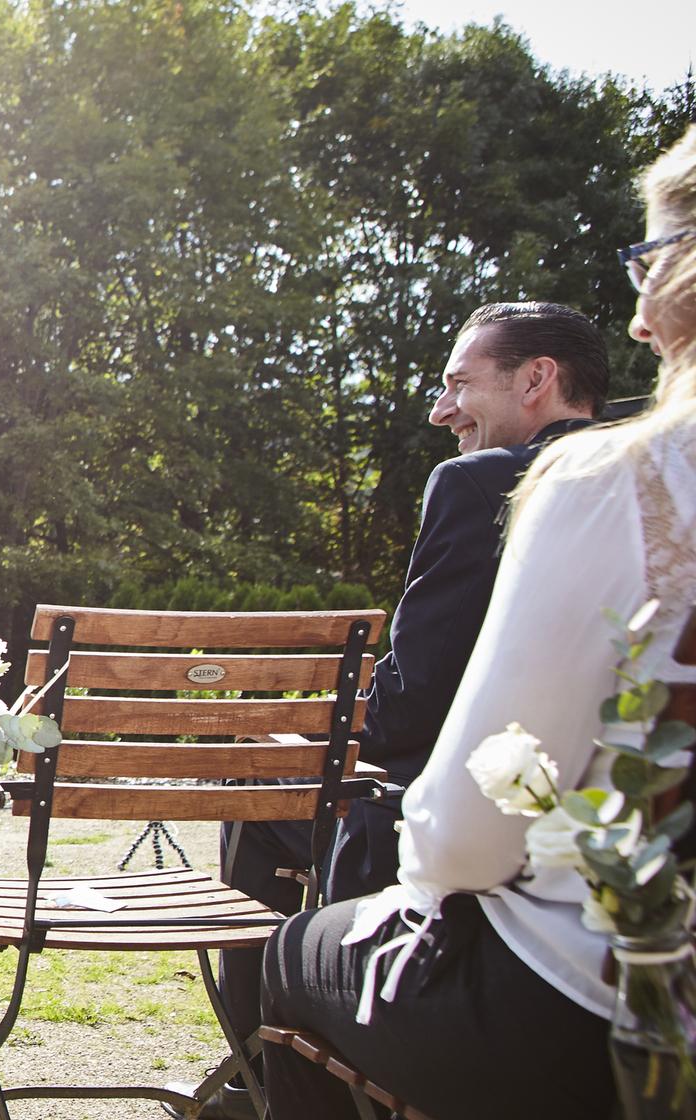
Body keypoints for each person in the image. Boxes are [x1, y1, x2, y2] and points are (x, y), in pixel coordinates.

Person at [259, 125, 696, 1120]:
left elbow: (450, 816)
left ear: (533, 379)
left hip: (604, 997)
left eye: (651, 262)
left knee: (295, 938)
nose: (635, 321)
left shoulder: (591, 485)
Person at [213, 301, 608, 1079]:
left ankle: (260, 1078)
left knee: (254, 791)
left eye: (460, 383)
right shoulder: (647, 482)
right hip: (606, 837)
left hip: (457, 830)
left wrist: (307, 735)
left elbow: (406, 708)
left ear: (537, 379)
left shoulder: (482, 484)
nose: (440, 410)